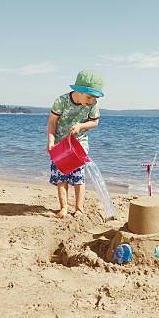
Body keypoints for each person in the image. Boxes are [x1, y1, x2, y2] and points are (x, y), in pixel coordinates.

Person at [47, 70, 103, 218]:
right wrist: (51, 141)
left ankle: (79, 208)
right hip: (60, 143)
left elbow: (95, 122)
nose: (91, 101)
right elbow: (52, 121)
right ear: (78, 91)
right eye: (89, 97)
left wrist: (80, 126)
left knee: (79, 176)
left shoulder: (93, 104)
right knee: (62, 176)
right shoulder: (61, 101)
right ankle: (64, 208)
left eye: (94, 98)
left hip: (80, 143)